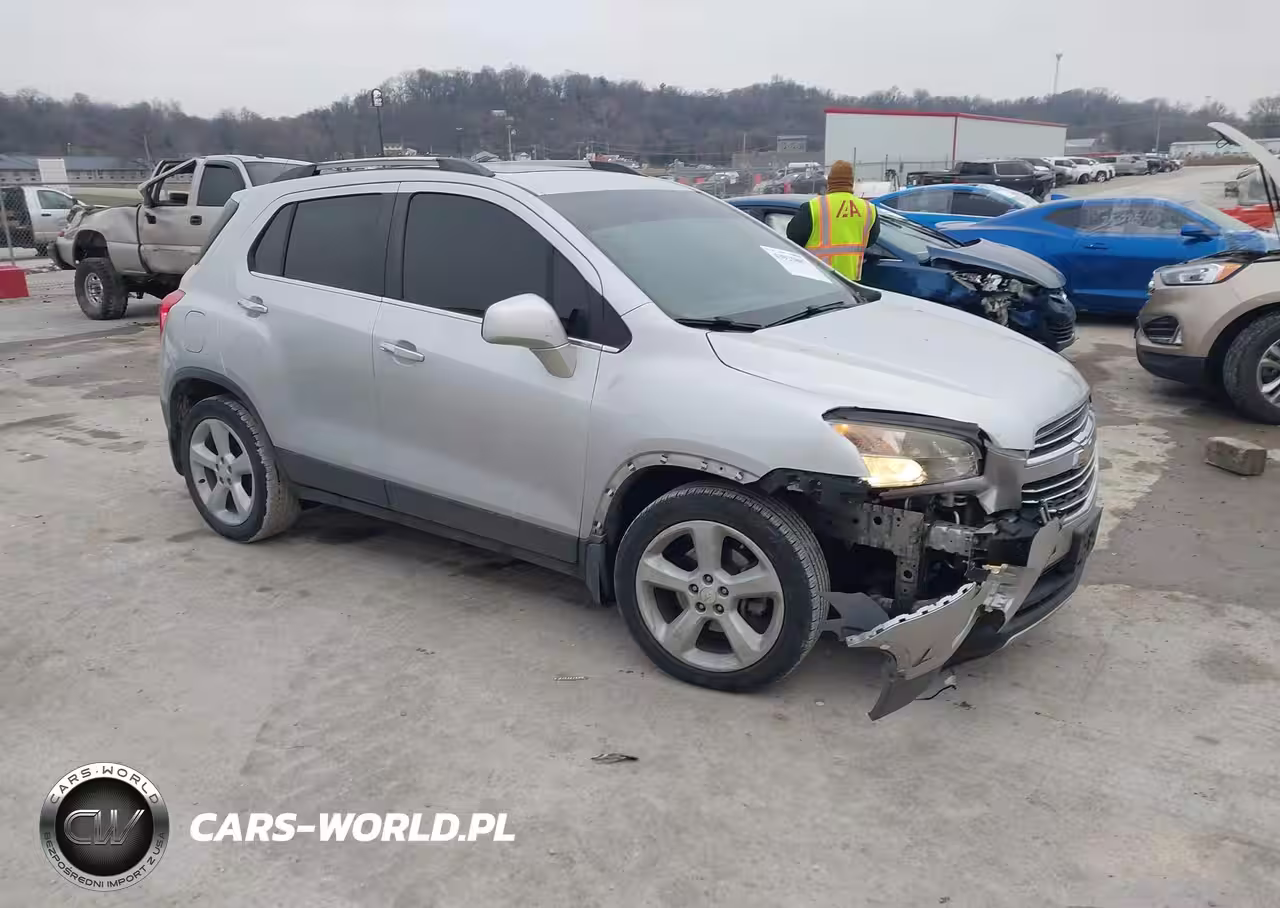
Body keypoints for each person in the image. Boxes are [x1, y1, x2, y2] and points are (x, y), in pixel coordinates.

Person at [785, 160, 880, 281]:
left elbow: (793, 237)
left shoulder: (814, 207)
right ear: (851, 182)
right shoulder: (869, 209)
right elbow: (870, 240)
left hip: (819, 278)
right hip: (851, 281)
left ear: (829, 182)